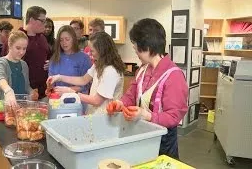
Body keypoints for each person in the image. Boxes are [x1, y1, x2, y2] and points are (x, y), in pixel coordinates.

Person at [106, 18, 188, 159]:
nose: (134, 50)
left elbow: (174, 116)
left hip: (164, 142)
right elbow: (131, 95)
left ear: (147, 47)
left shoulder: (174, 76)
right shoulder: (143, 70)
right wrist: (120, 104)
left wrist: (147, 116)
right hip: (142, 135)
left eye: (135, 45)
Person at [48, 32, 125, 114]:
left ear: (102, 51)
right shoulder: (99, 64)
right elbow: (83, 79)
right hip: (95, 114)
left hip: (106, 117)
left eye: (92, 51)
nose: (90, 54)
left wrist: (71, 92)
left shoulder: (111, 71)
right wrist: (59, 77)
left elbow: (96, 101)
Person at [0, 31, 38, 106]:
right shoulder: (1, 63)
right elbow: (0, 77)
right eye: (18, 48)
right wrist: (8, 90)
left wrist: (31, 92)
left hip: (21, 109)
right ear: (10, 45)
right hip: (3, 109)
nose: (21, 52)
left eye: (24, 48)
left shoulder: (24, 65)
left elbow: (26, 86)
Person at [49, 25, 92, 95]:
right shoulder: (55, 58)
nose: (64, 43)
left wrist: (68, 90)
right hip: (57, 101)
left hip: (77, 101)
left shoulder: (84, 58)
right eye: (61, 40)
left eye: (67, 39)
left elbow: (86, 84)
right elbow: (51, 83)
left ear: (73, 39)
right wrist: (50, 88)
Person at [19, 6, 50, 101]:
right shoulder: (17, 38)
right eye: (42, 21)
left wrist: (50, 63)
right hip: (24, 94)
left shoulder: (43, 38)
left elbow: (50, 56)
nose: (45, 24)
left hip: (43, 92)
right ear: (32, 20)